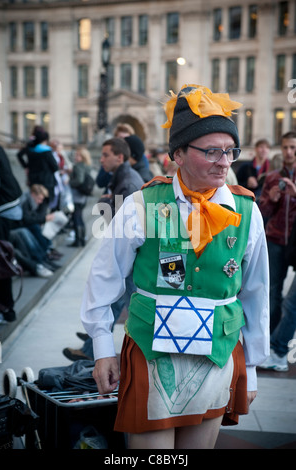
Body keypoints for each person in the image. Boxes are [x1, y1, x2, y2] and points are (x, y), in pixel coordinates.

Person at [80, 84, 269, 449]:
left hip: (216, 357)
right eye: (211, 151)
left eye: (230, 151)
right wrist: (102, 347)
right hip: (151, 356)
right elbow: (104, 279)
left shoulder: (247, 211)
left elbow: (257, 293)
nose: (225, 162)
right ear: (178, 154)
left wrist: (255, 366)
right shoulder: (141, 203)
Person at [63, 137, 143, 362]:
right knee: (119, 303)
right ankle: (92, 346)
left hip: (130, 258)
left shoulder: (127, 182)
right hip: (129, 258)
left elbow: (125, 226)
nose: (101, 159)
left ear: (120, 157)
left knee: (130, 307)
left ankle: (97, 349)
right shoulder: (121, 177)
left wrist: (105, 205)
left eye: (105, 155)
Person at [259, 131, 296, 333]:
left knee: (292, 297)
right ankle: (271, 339)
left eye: (293, 147)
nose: (289, 152)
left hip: (294, 241)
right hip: (274, 239)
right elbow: (262, 213)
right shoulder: (272, 177)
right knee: (273, 291)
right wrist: (271, 200)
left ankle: (281, 341)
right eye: (285, 147)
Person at [0, 142, 22, 323]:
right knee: (1, 258)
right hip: (5, 208)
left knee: (0, 260)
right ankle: (6, 308)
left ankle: (5, 308)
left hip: (1, 209)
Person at [16, 127, 58, 204]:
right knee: (44, 202)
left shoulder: (31, 149)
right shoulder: (47, 152)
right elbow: (55, 167)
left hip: (33, 179)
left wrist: (26, 166)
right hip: (46, 181)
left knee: (34, 201)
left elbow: (19, 155)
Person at [68, 147, 92, 247]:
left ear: (82, 157)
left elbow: (79, 180)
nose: (75, 157)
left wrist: (69, 182)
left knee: (76, 217)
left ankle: (78, 240)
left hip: (77, 195)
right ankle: (82, 239)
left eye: (78, 155)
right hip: (83, 196)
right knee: (80, 217)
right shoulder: (87, 166)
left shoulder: (78, 166)